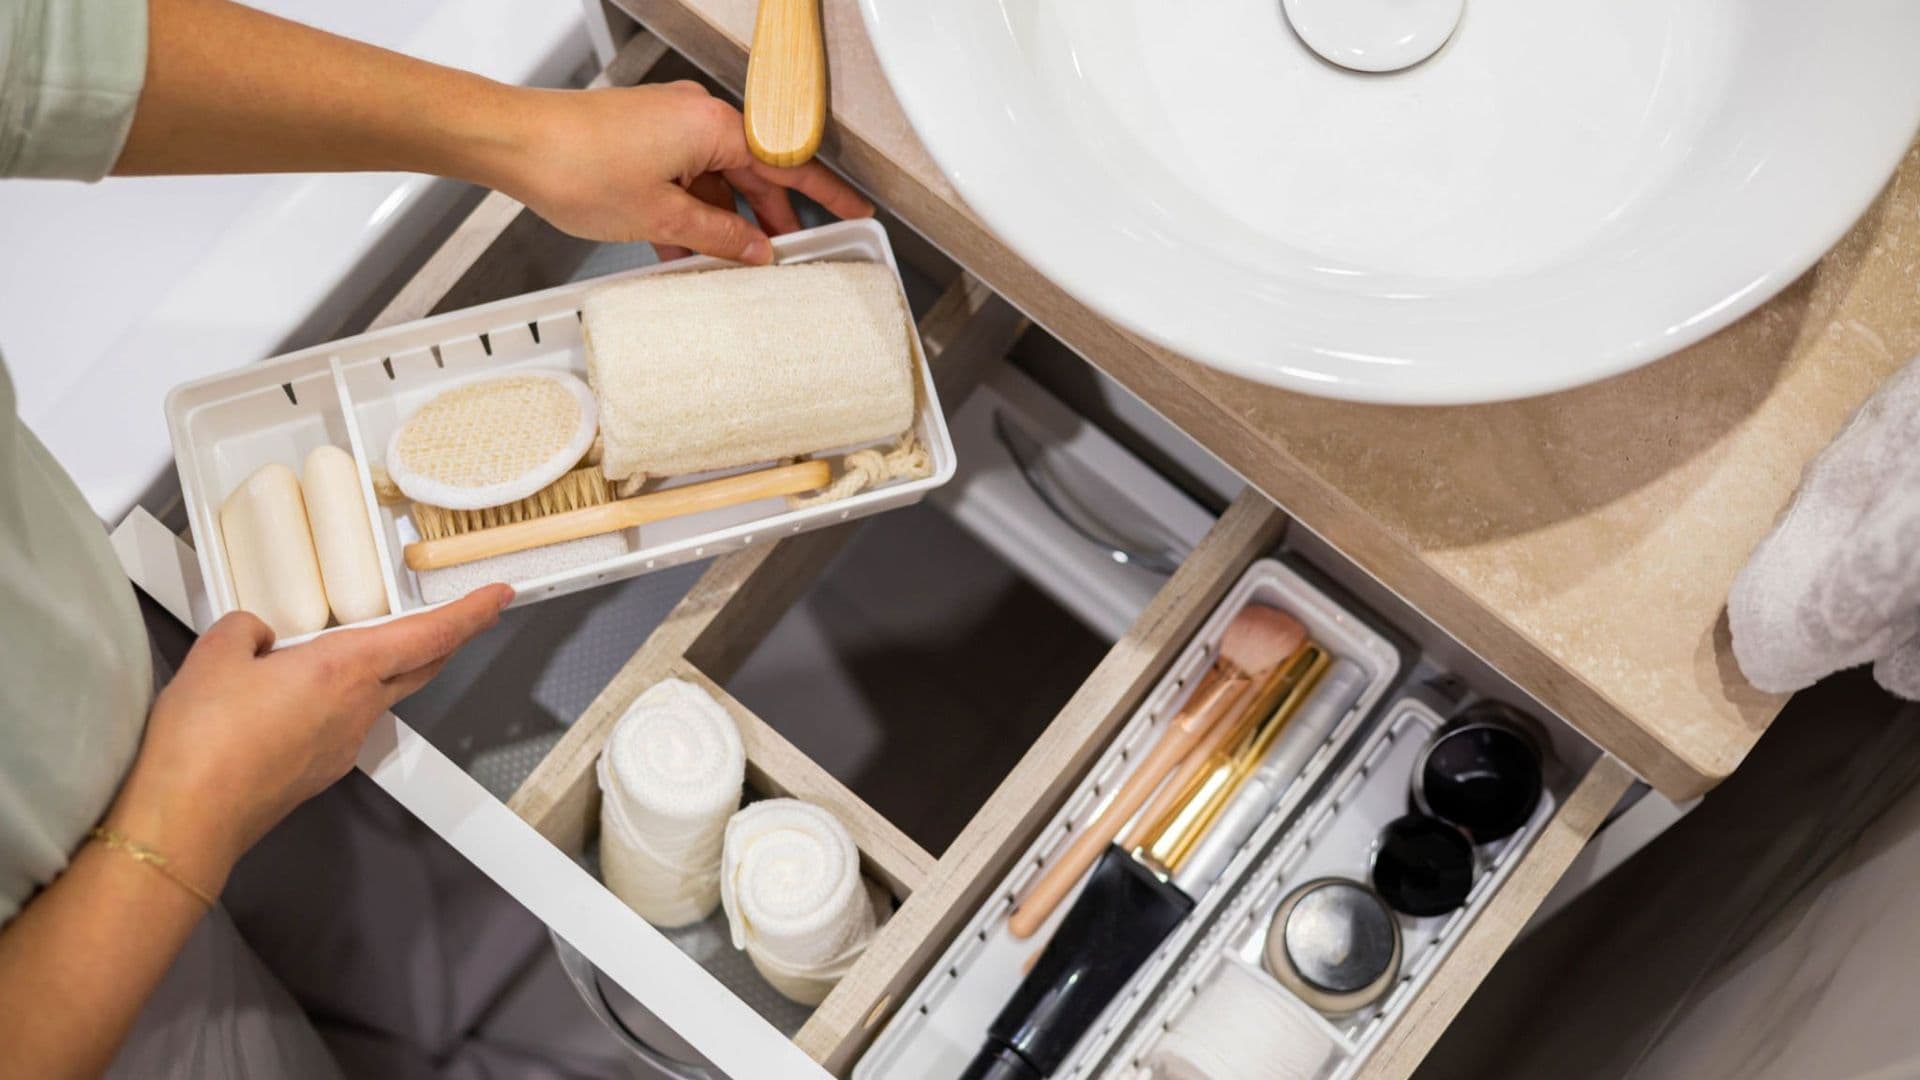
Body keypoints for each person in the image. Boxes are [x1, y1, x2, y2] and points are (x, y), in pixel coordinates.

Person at [0, 0, 872, 1076]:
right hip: (83, 994)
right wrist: (193, 815)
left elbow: (38, 53)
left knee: (297, 941)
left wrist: (525, 135)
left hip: (125, 736)